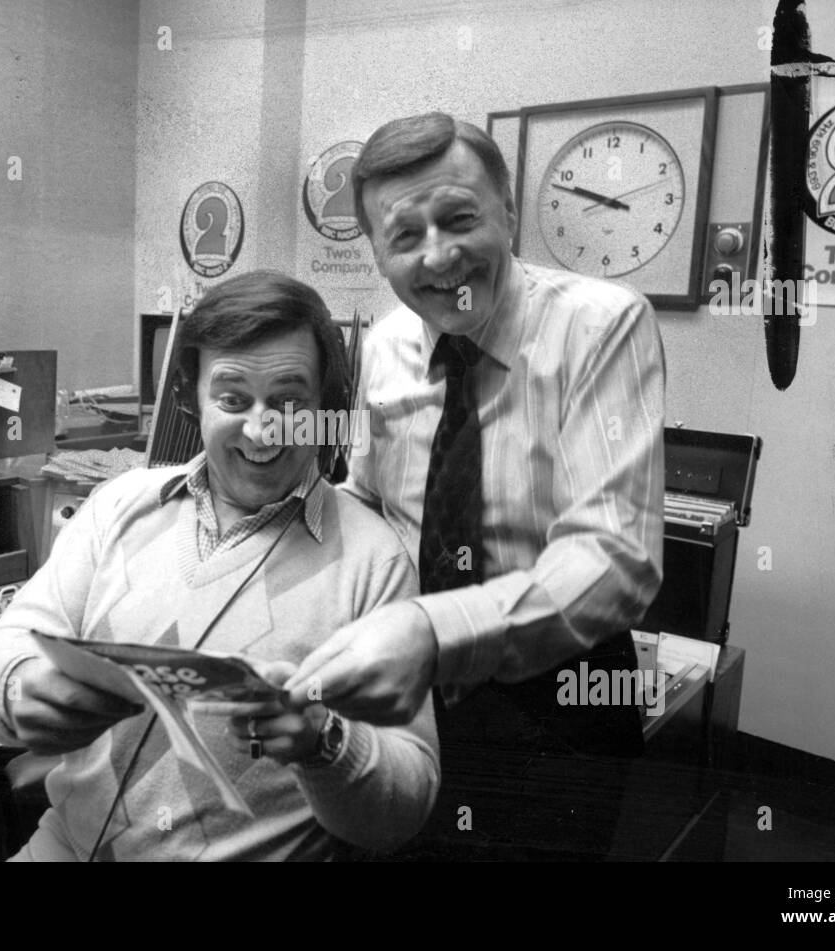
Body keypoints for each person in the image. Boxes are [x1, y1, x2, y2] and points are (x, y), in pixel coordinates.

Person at [286, 113, 666, 859]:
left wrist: (436, 633)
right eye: (404, 237)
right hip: (410, 696)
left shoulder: (602, 325)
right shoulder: (389, 344)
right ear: (376, 252)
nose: (439, 257)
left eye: (460, 218)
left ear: (510, 212)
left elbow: (616, 556)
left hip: (556, 697)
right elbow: (375, 497)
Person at [0, 271, 438, 861]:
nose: (262, 428)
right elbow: (3, 644)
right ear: (193, 400)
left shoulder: (375, 562)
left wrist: (325, 742)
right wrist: (18, 688)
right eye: (233, 399)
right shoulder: (120, 503)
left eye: (290, 402)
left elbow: (408, 798)